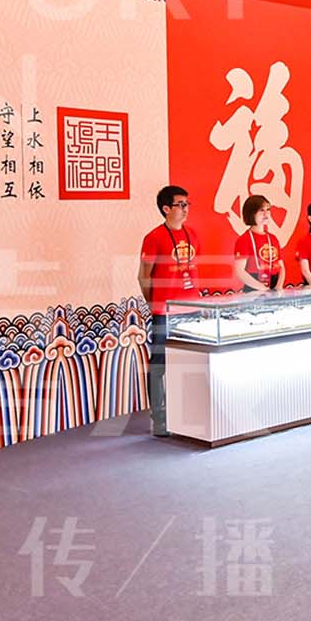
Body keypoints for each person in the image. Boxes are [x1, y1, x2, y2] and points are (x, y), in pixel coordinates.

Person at [137, 185, 197, 437]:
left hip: (191, 310)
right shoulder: (154, 238)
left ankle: (187, 416)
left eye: (187, 204)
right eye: (180, 204)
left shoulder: (192, 234)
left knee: (190, 364)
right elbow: (143, 276)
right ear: (165, 208)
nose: (185, 209)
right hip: (164, 312)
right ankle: (159, 419)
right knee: (160, 366)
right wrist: (154, 305)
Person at [232, 194, 285, 291]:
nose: (266, 214)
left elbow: (281, 267)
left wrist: (279, 286)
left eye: (268, 210)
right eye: (261, 210)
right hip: (254, 288)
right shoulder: (244, 240)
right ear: (251, 213)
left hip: (274, 287)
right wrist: (262, 288)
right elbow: (239, 271)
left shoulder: (273, 238)